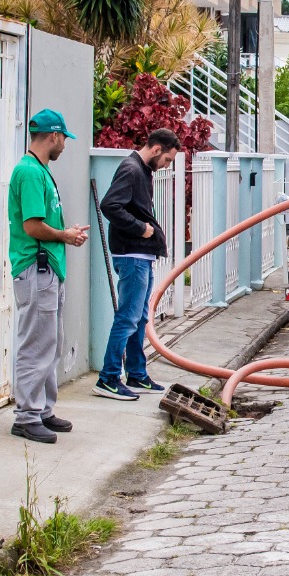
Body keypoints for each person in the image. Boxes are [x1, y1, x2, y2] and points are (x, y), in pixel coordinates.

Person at [8, 110, 88, 443]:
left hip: (48, 268)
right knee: (36, 343)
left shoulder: (39, 170)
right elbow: (32, 226)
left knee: (50, 341)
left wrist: (65, 234)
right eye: (64, 139)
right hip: (36, 267)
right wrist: (65, 236)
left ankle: (41, 409)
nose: (65, 146)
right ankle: (26, 415)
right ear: (53, 136)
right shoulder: (29, 172)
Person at [95, 128, 180, 400]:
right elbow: (110, 205)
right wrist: (140, 228)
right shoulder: (131, 169)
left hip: (140, 256)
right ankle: (108, 378)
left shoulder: (143, 171)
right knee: (128, 317)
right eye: (167, 160)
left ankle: (136, 374)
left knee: (140, 317)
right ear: (156, 150)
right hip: (132, 256)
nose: (166, 165)